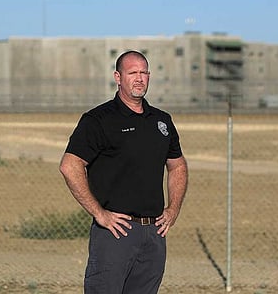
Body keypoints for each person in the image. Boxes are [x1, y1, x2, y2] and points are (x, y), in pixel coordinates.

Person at [59, 49, 188, 294]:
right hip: (115, 233)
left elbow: (178, 165)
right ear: (118, 77)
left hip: (154, 234)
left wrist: (173, 209)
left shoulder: (161, 121)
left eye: (144, 73)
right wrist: (100, 214)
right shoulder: (99, 120)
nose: (139, 78)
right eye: (132, 73)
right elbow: (70, 165)